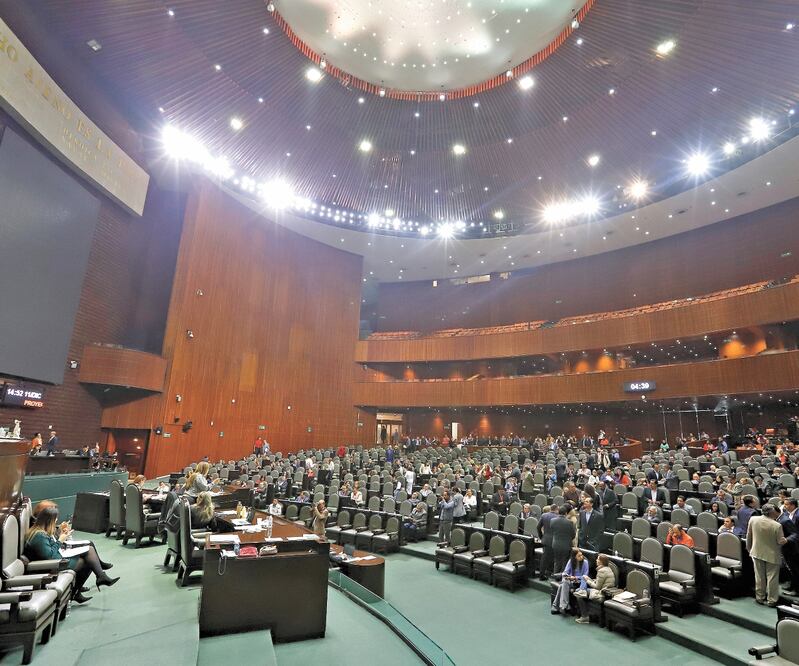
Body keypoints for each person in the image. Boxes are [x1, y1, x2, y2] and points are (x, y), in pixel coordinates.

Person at [25, 506, 118, 604]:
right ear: (49, 521)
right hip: (52, 565)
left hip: (57, 558)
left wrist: (60, 534)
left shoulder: (41, 531)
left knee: (89, 555)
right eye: (55, 519)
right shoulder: (39, 536)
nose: (56, 521)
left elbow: (50, 546)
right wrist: (60, 540)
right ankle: (93, 581)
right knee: (88, 559)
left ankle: (95, 580)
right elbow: (50, 556)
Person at [747, 504, 788, 606]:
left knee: (759, 576)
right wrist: (786, 539)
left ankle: (759, 597)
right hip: (772, 555)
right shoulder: (777, 525)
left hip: (756, 552)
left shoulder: (753, 519)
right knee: (772, 578)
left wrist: (749, 549)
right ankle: (772, 600)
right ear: (772, 512)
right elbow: (780, 541)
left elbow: (749, 535)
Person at [576, 553, 616, 624]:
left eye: (598, 559)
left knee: (579, 593)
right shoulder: (607, 568)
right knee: (579, 591)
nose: (596, 560)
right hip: (604, 591)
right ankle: (586, 614)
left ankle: (585, 617)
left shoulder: (601, 571)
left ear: (601, 562)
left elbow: (597, 587)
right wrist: (590, 579)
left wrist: (587, 580)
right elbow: (600, 582)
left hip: (601, 593)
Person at [551, 549, 589, 614]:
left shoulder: (585, 562)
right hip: (570, 581)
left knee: (562, 586)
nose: (581, 557)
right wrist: (567, 575)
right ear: (574, 557)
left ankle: (558, 606)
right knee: (565, 581)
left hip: (579, 582)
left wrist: (575, 577)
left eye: (581, 555)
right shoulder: (570, 561)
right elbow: (565, 572)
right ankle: (564, 606)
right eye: (579, 556)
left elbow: (585, 576)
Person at [551, 505, 577, 575]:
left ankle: (555, 576)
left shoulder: (552, 520)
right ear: (566, 513)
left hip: (555, 544)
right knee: (565, 562)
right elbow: (573, 535)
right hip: (566, 545)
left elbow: (552, 530)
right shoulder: (570, 522)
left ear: (558, 512)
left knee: (557, 561)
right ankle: (562, 577)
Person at [538, 505, 558, 580]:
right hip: (555, 540)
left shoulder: (544, 515)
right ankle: (546, 574)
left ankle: (543, 574)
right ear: (556, 510)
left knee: (545, 557)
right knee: (552, 558)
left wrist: (541, 536)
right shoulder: (558, 517)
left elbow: (538, 527)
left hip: (546, 539)